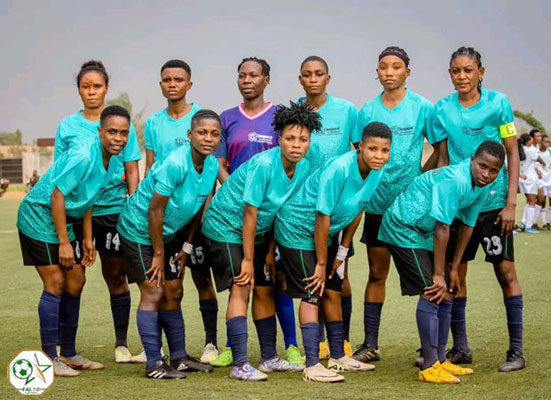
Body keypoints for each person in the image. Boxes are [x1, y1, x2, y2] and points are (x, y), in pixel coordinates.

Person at [202, 102, 318, 381]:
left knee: (265, 288)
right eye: (290, 138)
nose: (296, 145)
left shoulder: (304, 167)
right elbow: (249, 212)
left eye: (303, 139)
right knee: (242, 285)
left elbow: (282, 210)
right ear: (279, 139)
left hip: (259, 232)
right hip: (225, 226)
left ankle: (268, 358)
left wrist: (269, 252)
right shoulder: (264, 164)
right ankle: (240, 364)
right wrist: (247, 259)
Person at [17, 105, 130, 376]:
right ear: (100, 131)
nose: (118, 138)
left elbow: (87, 198)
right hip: (39, 215)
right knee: (56, 282)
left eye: (123, 133)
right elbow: (57, 195)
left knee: (76, 280)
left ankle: (68, 353)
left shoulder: (111, 159)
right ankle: (49, 358)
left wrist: (88, 239)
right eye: (112, 132)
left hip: (66, 218)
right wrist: (65, 242)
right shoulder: (84, 155)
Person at [379, 140, 505, 384]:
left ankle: (440, 359)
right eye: (482, 166)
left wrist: (454, 269)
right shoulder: (456, 180)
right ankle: (429, 366)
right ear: (472, 160)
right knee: (433, 289)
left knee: (447, 291)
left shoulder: (481, 185)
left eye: (493, 171)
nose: (486, 174)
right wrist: (439, 274)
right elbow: (443, 228)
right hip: (402, 226)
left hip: (423, 233)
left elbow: (467, 226)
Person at [275, 121, 391, 383]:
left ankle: (338, 356)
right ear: (360, 147)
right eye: (372, 149)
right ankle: (312, 364)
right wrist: (320, 263)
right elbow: (322, 216)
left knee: (333, 288)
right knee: (312, 290)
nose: (378, 156)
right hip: (296, 228)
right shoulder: (339, 169)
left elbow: (358, 208)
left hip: (324, 233)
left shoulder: (377, 170)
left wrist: (342, 250)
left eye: (385, 151)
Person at [434, 46, 525, 372]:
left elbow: (512, 153)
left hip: (494, 208)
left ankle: (516, 352)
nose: (462, 76)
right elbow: (443, 160)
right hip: (460, 207)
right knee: (456, 275)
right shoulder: (442, 109)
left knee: (506, 272)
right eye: (456, 71)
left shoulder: (499, 103)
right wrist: (440, 203)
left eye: (468, 70)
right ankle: (460, 348)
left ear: (480, 73)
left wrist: (510, 204)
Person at [212, 57, 303, 366]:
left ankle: (287, 348)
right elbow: (220, 164)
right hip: (236, 213)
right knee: (241, 280)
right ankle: (233, 351)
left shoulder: (281, 118)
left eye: (253, 75)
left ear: (267, 79)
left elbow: (289, 165)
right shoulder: (227, 118)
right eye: (242, 75)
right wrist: (236, 191)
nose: (247, 80)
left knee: (274, 281)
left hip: (270, 215)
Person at [351, 46, 439, 364]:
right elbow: (359, 153)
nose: (389, 72)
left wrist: (419, 184)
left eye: (396, 66)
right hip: (376, 206)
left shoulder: (423, 107)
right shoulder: (366, 111)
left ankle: (430, 348)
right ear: (377, 72)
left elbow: (439, 150)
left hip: (410, 210)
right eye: (383, 67)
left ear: (407, 72)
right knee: (377, 274)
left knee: (426, 279)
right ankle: (370, 344)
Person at [117, 110, 221, 379]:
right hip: (138, 230)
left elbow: (197, 209)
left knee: (174, 291)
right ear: (190, 134)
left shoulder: (211, 166)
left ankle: (179, 358)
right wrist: (158, 254)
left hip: (169, 234)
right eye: (202, 132)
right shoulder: (175, 163)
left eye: (214, 134)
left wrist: (186, 247)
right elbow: (154, 210)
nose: (208, 138)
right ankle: (154, 363)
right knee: (154, 291)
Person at [53, 60, 142, 363]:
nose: (91, 91)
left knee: (115, 275)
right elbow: (59, 171)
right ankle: (66, 347)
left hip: (113, 210)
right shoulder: (67, 127)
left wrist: (132, 204)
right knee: (74, 278)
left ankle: (121, 345)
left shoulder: (119, 123)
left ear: (106, 88)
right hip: (78, 212)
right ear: (79, 89)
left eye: (97, 86)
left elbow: (132, 169)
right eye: (85, 86)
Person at [143, 59, 218, 363]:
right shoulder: (153, 123)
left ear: (189, 84)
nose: (172, 84)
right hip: (164, 216)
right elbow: (150, 168)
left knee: (202, 279)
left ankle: (211, 343)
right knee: (163, 284)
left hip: (193, 216)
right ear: (160, 84)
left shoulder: (202, 120)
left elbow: (209, 173)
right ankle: (159, 348)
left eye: (178, 79)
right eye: (167, 79)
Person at [298, 55, 360, 358]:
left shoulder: (347, 111)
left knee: (339, 276)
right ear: (301, 79)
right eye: (307, 74)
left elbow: (360, 155)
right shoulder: (295, 110)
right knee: (311, 275)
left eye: (318, 73)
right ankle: (319, 342)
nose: (313, 79)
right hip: (302, 207)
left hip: (337, 209)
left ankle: (343, 339)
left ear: (328, 78)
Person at [518, 131, 544, 233]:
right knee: (533, 201)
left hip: (523, 179)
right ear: (528, 141)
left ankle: (523, 223)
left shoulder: (521, 150)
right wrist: (544, 163)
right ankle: (528, 226)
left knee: (530, 201)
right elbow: (538, 158)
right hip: (530, 179)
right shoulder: (530, 151)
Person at [538, 134, 551, 229]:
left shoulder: (550, 151)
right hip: (541, 180)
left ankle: (549, 221)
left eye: (548, 142)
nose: (547, 144)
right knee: (542, 201)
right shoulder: (537, 152)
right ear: (541, 142)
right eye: (545, 142)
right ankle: (543, 222)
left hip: (550, 178)